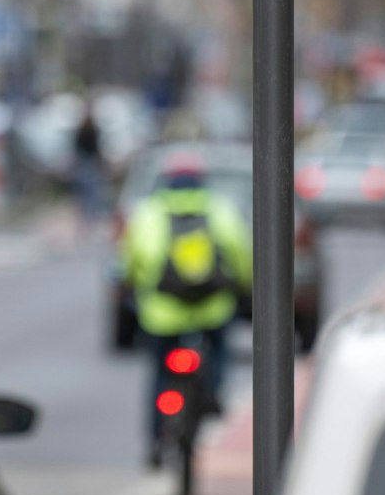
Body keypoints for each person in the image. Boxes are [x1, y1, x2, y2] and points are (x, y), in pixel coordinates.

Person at [120, 157, 252, 469]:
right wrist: (243, 287)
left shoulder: (148, 212)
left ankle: (155, 441)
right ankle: (213, 394)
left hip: (162, 312)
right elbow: (240, 254)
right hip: (210, 308)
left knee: (159, 376)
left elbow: (131, 260)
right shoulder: (220, 210)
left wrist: (134, 289)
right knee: (218, 350)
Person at [72, 102, 106, 224]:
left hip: (88, 162)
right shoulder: (86, 129)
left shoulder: (89, 129)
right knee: (89, 190)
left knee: (89, 191)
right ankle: (88, 216)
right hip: (87, 162)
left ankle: (89, 215)